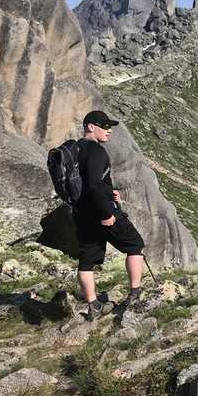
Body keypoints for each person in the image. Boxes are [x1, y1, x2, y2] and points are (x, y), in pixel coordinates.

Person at [74, 110, 145, 320]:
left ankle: (93, 305)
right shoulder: (96, 151)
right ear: (90, 127)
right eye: (104, 126)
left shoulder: (76, 149)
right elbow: (95, 184)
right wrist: (107, 212)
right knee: (134, 245)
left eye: (109, 127)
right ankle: (135, 293)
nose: (109, 131)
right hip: (102, 211)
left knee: (87, 260)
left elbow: (87, 182)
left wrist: (109, 190)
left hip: (83, 214)